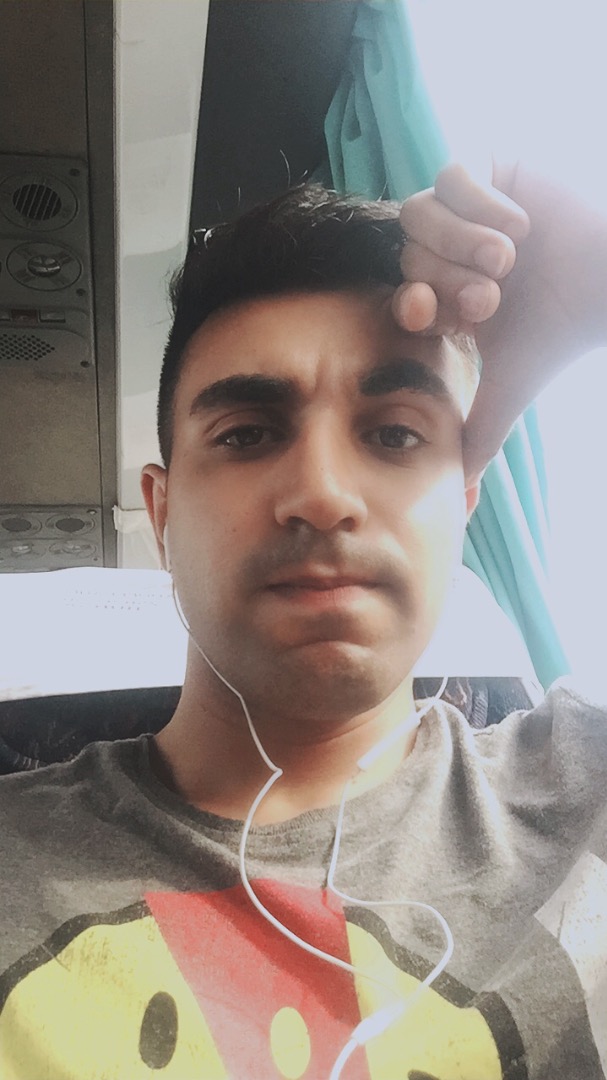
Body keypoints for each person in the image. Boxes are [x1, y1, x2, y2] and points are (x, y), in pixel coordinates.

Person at [0, 161, 606, 1080]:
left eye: (395, 433)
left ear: (463, 502)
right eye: (246, 434)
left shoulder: (583, 791)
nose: (323, 495)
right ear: (161, 515)